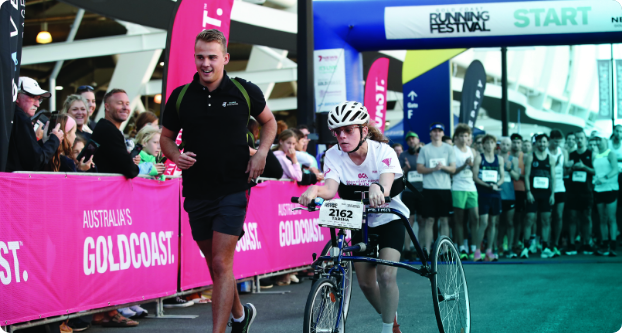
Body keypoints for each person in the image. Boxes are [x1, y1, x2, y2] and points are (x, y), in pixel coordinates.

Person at [160, 29, 276, 333]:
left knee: (223, 264)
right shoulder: (181, 96)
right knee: (216, 265)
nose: (205, 63)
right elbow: (166, 139)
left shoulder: (244, 90)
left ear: (225, 58)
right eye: (200, 57)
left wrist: (261, 153)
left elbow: (270, 122)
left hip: (234, 188)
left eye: (212, 57)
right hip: (197, 190)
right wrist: (175, 155)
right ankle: (240, 315)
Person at [298, 101, 407, 333]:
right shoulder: (333, 154)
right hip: (361, 219)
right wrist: (314, 190)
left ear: (364, 130)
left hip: (390, 218)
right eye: (337, 131)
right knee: (366, 283)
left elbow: (386, 185)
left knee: (386, 275)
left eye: (348, 130)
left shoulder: (383, 151)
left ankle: (387, 329)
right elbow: (329, 190)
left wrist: (377, 187)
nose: (342, 137)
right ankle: (392, 317)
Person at [7, 77, 63, 172]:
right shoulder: (21, 118)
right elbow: (35, 162)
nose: (38, 104)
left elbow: (22, 155)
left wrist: (43, 142)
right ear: (17, 95)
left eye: (40, 99)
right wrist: (54, 141)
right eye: (33, 97)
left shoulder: (9, 114)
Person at [416, 122, 456, 254]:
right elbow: (419, 168)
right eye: (435, 131)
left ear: (443, 133)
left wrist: (442, 167)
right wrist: (433, 169)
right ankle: (427, 250)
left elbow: (453, 169)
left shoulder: (449, 148)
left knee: (445, 220)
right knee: (429, 220)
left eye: (439, 131)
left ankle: (445, 250)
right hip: (429, 189)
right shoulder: (425, 149)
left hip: (444, 189)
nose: (437, 133)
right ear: (430, 133)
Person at [91, 89, 141, 178]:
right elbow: (130, 170)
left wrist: (130, 160)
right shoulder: (108, 130)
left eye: (127, 104)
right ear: (107, 107)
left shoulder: (106, 127)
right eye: (120, 103)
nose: (125, 107)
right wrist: (135, 166)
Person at [521, 134, 555, 259]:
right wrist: (528, 192)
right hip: (533, 193)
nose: (542, 144)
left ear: (547, 143)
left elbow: (553, 178)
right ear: (536, 143)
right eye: (540, 142)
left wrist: (552, 194)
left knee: (546, 220)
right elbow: (526, 176)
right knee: (529, 218)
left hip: (546, 194)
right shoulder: (530, 157)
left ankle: (545, 247)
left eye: (544, 142)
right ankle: (526, 247)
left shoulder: (550, 159)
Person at [473, 134, 505, 261]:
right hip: (483, 193)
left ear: (495, 145)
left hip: (495, 193)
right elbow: (475, 177)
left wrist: (496, 184)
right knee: (484, 222)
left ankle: (489, 251)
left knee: (493, 223)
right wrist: (487, 185)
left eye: (492, 143)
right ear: (484, 145)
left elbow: (502, 176)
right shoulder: (479, 158)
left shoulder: (499, 159)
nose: (490, 145)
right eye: (487, 143)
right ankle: (477, 250)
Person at [450, 124, 478, 260]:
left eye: (466, 136)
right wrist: (465, 165)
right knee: (459, 220)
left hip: (471, 187)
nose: (463, 138)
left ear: (469, 137)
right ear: (457, 137)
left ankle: (474, 248)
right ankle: (461, 248)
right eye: (461, 135)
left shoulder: (472, 151)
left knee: (475, 217)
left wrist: (473, 167)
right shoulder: (453, 150)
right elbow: (452, 171)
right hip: (458, 187)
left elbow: (476, 172)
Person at [565, 131, 596, 256]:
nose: (579, 140)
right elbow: (565, 173)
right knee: (572, 218)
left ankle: (586, 243)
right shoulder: (570, 154)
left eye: (581, 138)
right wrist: (572, 168)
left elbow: (595, 172)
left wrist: (584, 167)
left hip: (586, 192)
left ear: (585, 140)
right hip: (572, 192)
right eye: (577, 138)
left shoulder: (591, 154)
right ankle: (571, 244)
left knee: (586, 219)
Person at [589, 135, 618, 257]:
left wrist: (604, 178)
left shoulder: (610, 153)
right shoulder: (594, 155)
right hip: (598, 190)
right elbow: (595, 172)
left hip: (610, 189)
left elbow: (616, 169)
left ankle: (613, 246)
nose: (598, 142)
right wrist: (596, 179)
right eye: (596, 140)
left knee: (611, 218)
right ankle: (605, 245)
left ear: (606, 141)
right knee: (602, 218)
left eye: (600, 140)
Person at [399, 131, 423, 262]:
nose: (411, 141)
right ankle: (407, 250)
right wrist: (406, 168)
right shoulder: (403, 155)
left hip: (423, 191)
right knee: (409, 221)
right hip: (409, 192)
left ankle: (422, 249)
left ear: (418, 140)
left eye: (413, 139)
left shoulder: (424, 153)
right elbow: (398, 173)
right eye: (409, 140)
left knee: (423, 220)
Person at [547, 129, 568, 257]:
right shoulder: (545, 151)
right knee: (547, 217)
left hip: (560, 187)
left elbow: (566, 170)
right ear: (550, 140)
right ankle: (547, 242)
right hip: (547, 188)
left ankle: (556, 243)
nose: (557, 143)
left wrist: (570, 167)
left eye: (559, 141)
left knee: (559, 216)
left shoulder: (563, 151)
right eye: (555, 141)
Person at [498, 137, 520, 258]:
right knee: (497, 223)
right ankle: (498, 246)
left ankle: (510, 247)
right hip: (497, 194)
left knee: (509, 222)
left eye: (508, 144)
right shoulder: (495, 157)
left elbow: (516, 176)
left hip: (510, 195)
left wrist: (509, 169)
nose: (505, 146)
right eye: (503, 144)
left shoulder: (514, 160)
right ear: (499, 145)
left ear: (510, 147)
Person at [510, 134, 527, 253]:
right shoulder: (507, 156)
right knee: (507, 220)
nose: (516, 145)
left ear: (521, 144)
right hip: (507, 191)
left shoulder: (525, 157)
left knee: (519, 219)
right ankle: (506, 243)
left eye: (518, 143)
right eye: (514, 142)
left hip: (521, 191)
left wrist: (515, 174)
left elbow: (528, 175)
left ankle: (516, 242)